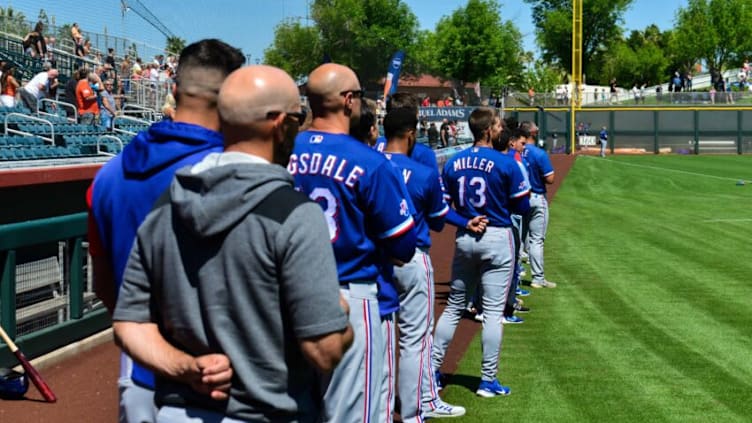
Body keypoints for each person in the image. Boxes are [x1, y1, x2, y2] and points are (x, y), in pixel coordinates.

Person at [113, 64, 353, 422]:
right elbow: (324, 350)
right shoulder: (295, 212)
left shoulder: (167, 205)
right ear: (278, 122)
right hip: (269, 413)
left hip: (177, 413)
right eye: (297, 117)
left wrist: (185, 366)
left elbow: (129, 324)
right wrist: (341, 314)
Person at [87, 39, 245, 423]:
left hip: (138, 373)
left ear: (174, 92)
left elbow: (105, 285)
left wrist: (145, 339)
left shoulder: (109, 174)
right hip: (217, 383)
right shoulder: (237, 173)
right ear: (232, 101)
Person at [287, 63, 417, 423]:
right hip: (350, 297)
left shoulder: (279, 151)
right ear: (348, 101)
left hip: (286, 296)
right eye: (359, 95)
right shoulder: (370, 162)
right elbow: (404, 247)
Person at [432, 107, 530, 398]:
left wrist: (465, 220)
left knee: (453, 308)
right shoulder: (506, 163)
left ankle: (433, 373)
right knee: (492, 313)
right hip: (497, 236)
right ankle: (488, 381)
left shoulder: (453, 162)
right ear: (488, 130)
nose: (502, 129)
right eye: (498, 125)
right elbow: (522, 206)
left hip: (466, 236)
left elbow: (442, 208)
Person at [520, 120, 557, 289]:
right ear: (533, 133)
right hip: (536, 196)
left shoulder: (514, 151)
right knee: (536, 240)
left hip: (518, 198)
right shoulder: (538, 153)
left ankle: (517, 274)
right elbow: (550, 179)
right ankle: (538, 278)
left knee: (519, 237)